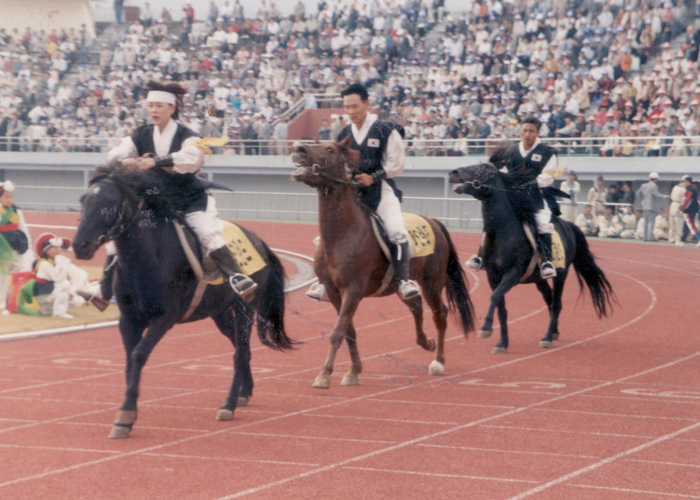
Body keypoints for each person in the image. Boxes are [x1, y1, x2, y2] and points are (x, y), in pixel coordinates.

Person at [105, 80, 257, 302]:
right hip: (156, 202)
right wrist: (127, 161)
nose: (154, 110)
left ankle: (237, 277)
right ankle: (104, 289)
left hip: (188, 200)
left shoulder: (187, 134)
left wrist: (155, 162)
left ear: (172, 108)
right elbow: (113, 155)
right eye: (151, 106)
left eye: (159, 106)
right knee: (119, 235)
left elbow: (193, 158)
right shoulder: (141, 133)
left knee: (207, 233)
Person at [334, 83, 419, 301]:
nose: (351, 111)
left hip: (381, 191)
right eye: (347, 107)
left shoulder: (384, 129)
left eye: (355, 106)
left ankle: (403, 281)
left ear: (366, 104)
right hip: (354, 196)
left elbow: (397, 163)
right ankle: (325, 282)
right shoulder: (344, 133)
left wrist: (373, 176)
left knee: (396, 230)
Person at [466, 116, 560, 279]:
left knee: (544, 223)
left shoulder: (548, 152)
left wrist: (532, 183)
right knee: (492, 219)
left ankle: (546, 262)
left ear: (538, 133)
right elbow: (500, 171)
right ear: (520, 131)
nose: (527, 134)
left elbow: (549, 176)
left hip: (536, 196)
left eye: (531, 131)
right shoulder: (510, 151)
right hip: (512, 197)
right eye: (524, 130)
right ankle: (480, 257)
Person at [0, 181, 32, 315]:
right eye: (6, 197)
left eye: (11, 197)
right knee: (2, 277)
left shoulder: (16, 211)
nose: (9, 200)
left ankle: (15, 301)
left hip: (16, 248)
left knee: (18, 275)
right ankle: (2, 304)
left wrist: (28, 248)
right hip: (2, 249)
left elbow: (23, 229)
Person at [636, 172, 670, 242]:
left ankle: (645, 237)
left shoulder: (643, 185)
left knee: (645, 222)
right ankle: (650, 237)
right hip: (651, 207)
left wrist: (643, 200)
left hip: (645, 206)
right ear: (656, 179)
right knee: (651, 222)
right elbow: (656, 194)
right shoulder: (654, 186)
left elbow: (638, 193)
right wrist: (665, 196)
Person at [678, 176, 700, 247]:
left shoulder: (690, 190)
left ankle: (698, 238)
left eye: (684, 182)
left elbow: (686, 201)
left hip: (689, 210)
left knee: (691, 225)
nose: (684, 183)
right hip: (692, 210)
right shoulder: (692, 190)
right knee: (686, 225)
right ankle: (682, 239)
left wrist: (680, 208)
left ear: (688, 182)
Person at [669, 176, 688, 246]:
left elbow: (671, 196)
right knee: (679, 224)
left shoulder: (675, 187)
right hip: (679, 205)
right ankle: (678, 239)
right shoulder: (684, 189)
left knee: (672, 224)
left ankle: (671, 238)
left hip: (672, 205)